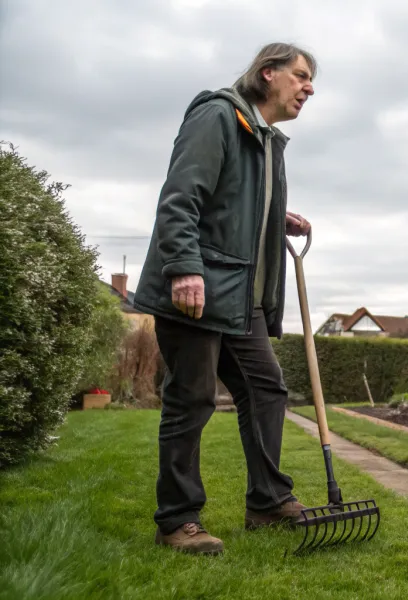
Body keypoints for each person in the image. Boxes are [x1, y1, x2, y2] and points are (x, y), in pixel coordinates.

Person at [133, 43, 317, 555]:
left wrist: (275, 216)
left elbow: (230, 203)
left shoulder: (264, 139)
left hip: (241, 298)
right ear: (267, 73)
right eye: (301, 77)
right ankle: (178, 519)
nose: (309, 88)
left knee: (267, 391)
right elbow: (181, 196)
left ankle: (267, 500)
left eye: (311, 82)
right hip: (199, 289)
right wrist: (184, 268)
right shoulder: (218, 116)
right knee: (190, 400)